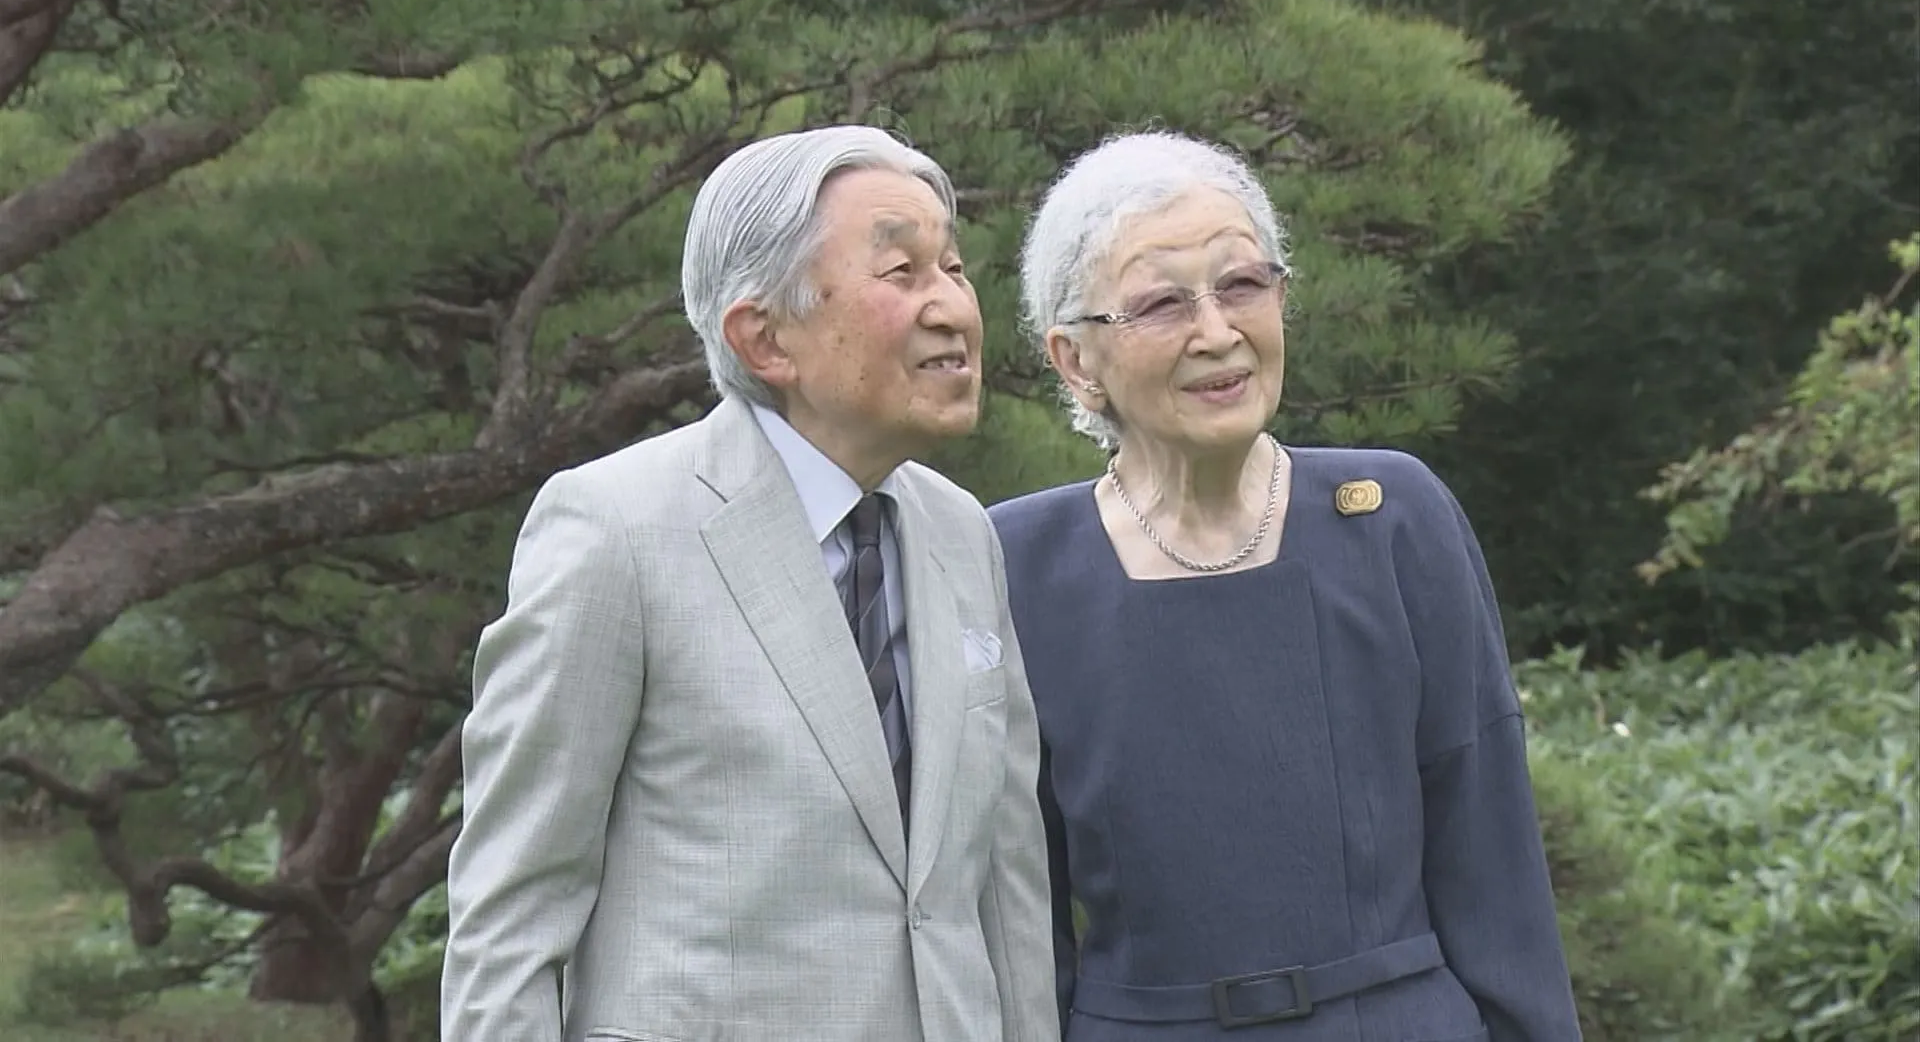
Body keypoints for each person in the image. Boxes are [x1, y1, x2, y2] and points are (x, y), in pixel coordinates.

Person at [441, 125, 1058, 1042]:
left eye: (955, 268)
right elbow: (510, 918)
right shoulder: (616, 529)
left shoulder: (962, 533)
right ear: (763, 338)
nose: (953, 309)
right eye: (902, 273)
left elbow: (1007, 896)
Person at [988, 130, 1583, 1042]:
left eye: (1241, 285)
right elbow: (1016, 914)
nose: (1217, 332)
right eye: (1160, 303)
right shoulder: (1015, 561)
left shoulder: (1394, 515)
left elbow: (1493, 858)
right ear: (1076, 361)